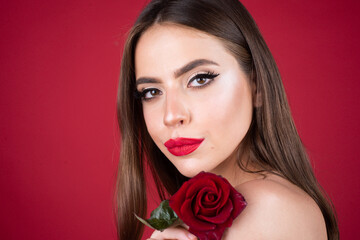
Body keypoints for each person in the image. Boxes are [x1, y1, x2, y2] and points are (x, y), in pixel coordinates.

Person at [114, 0, 339, 239]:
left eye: (200, 79)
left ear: (257, 86)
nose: (171, 116)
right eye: (151, 92)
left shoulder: (267, 209)